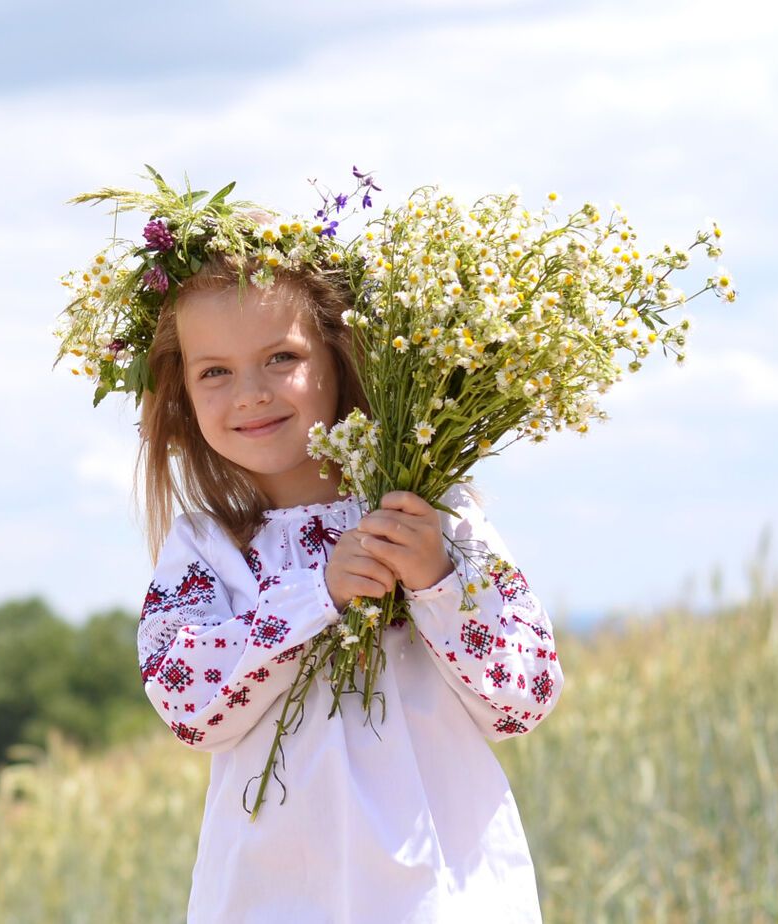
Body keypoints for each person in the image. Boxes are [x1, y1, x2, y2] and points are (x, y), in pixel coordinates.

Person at [132, 248, 566, 922]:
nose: (251, 392)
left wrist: (437, 582)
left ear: (340, 357)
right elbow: (186, 705)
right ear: (183, 395)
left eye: (282, 358)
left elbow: (524, 698)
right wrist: (316, 595)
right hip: (276, 896)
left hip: (445, 886)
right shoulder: (206, 549)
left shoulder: (431, 513)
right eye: (214, 370)